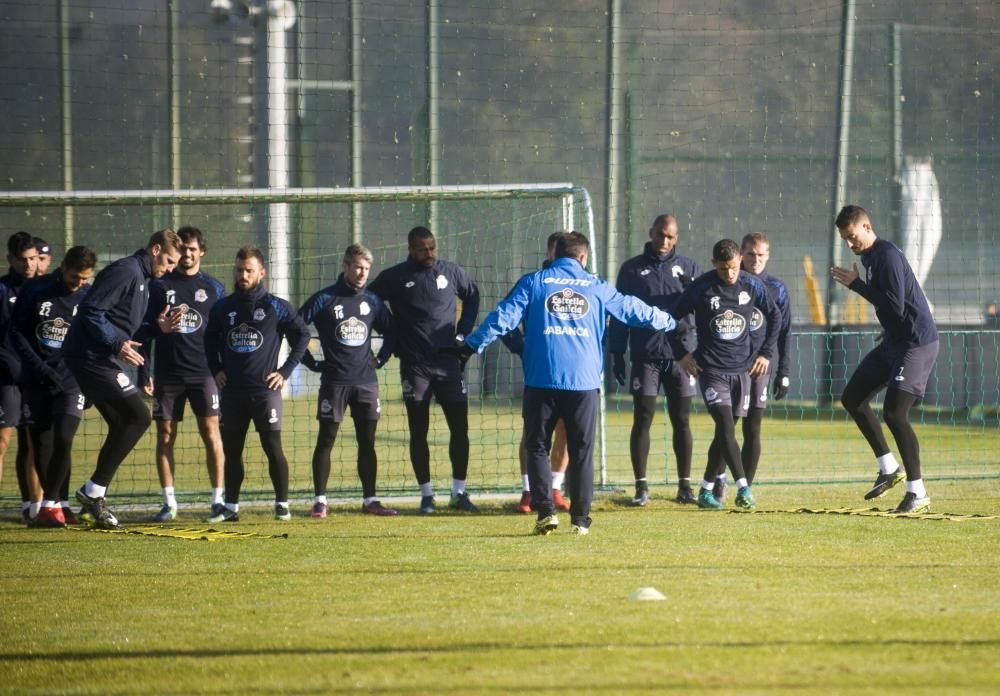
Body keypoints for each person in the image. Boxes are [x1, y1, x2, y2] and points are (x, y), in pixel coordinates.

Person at [463, 231, 676, 535]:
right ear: (582, 258)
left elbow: (503, 318)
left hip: (542, 379)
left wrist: (473, 344)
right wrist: (668, 321)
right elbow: (632, 310)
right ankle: (580, 519)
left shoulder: (534, 282)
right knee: (582, 450)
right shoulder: (597, 286)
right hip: (583, 383)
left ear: (553, 255)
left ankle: (545, 511)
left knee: (537, 445)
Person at [62, 229, 182, 529]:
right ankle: (91, 493)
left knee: (123, 422)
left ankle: (93, 498)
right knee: (139, 417)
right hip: (88, 356)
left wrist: (156, 328)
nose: (169, 268)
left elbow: (124, 324)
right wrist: (116, 344)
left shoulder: (143, 278)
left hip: (98, 357)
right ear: (155, 249)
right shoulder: (127, 270)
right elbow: (91, 311)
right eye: (168, 260)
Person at [831, 205, 939, 513]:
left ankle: (917, 493)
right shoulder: (869, 257)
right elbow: (895, 307)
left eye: (852, 236)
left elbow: (895, 306)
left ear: (867, 226)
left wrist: (857, 285)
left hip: (916, 344)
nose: (850, 244)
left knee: (894, 414)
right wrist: (888, 327)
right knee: (852, 397)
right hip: (894, 340)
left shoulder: (887, 255)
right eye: (845, 239)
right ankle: (889, 468)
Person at [368, 226, 481, 514]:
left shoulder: (451, 272)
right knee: (419, 431)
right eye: (422, 249)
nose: (429, 253)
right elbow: (367, 303)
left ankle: (459, 492)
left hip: (449, 365)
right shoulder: (394, 277)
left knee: (460, 429)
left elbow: (473, 296)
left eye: (432, 247)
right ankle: (427, 495)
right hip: (415, 366)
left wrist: (462, 333)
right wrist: (391, 335)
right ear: (411, 249)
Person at [667, 238, 781, 511]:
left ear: (740, 260)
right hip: (711, 371)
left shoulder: (752, 285)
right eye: (723, 269)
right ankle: (744, 489)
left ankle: (705, 490)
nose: (729, 274)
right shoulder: (702, 287)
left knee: (724, 434)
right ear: (714, 264)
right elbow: (671, 319)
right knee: (727, 428)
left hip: (741, 371)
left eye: (733, 268)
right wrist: (681, 354)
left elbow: (775, 317)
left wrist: (766, 353)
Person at [204, 245, 310, 522]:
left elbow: (303, 336)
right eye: (239, 269)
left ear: (261, 272)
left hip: (266, 392)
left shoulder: (276, 306)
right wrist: (216, 369)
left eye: (249, 270)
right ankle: (230, 508)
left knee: (272, 447)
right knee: (232, 450)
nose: (243, 275)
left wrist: (285, 372)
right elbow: (208, 340)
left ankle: (282, 505)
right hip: (232, 392)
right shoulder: (223, 307)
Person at [299, 243, 397, 518]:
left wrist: (381, 358)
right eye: (357, 267)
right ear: (345, 267)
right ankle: (320, 500)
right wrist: (311, 362)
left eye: (366, 269)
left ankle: (371, 500)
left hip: (366, 382)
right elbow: (295, 327)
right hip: (335, 382)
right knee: (326, 439)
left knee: (367, 441)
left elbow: (392, 332)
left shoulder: (373, 301)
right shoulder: (324, 299)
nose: (362, 273)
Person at [608, 214, 700, 506]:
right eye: (660, 234)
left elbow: (705, 309)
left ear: (677, 238)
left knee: (682, 421)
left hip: (681, 357)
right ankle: (641, 488)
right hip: (645, 356)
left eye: (670, 237)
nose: (664, 241)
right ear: (650, 232)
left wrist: (693, 291)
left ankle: (685, 486)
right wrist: (617, 352)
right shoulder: (632, 269)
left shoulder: (688, 268)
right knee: (643, 418)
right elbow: (619, 313)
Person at [136, 226, 227, 522]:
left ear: (201, 252)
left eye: (192, 249)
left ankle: (218, 500)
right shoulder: (160, 285)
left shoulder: (214, 288)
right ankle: (169, 503)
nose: (187, 254)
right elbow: (145, 331)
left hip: (204, 374)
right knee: (165, 435)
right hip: (169, 375)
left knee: (211, 433)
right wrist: (144, 371)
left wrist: (223, 369)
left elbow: (222, 333)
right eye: (183, 249)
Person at [12, 247, 96, 527]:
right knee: (42, 444)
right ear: (63, 267)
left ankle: (53, 504)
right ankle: (57, 504)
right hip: (36, 380)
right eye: (75, 277)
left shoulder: (89, 296)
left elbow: (95, 339)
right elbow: (17, 334)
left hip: (72, 381)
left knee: (64, 436)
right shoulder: (36, 290)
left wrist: (92, 381)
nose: (79, 283)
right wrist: (41, 368)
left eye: (85, 278)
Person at [710, 232, 793, 491]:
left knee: (753, 429)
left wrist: (784, 370)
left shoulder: (776, 288)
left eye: (761, 255)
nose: (755, 260)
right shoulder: (726, 282)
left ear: (768, 256)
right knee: (726, 427)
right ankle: (718, 480)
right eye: (750, 254)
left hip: (760, 368)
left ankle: (746, 488)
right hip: (730, 365)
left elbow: (784, 330)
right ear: (741, 255)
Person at [502, 232, 571, 514]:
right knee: (534, 433)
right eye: (558, 250)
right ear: (549, 252)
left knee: (566, 430)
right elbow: (505, 318)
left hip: (571, 372)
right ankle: (529, 491)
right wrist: (522, 346)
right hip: (539, 370)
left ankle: (555, 487)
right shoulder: (532, 282)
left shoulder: (580, 283)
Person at [0, 232, 41, 522]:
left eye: (33, 259)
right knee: (2, 441)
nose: (29, 265)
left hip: (36, 376)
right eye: (23, 260)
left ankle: (35, 506)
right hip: (6, 377)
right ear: (10, 259)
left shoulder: (43, 289)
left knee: (36, 441)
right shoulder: (2, 289)